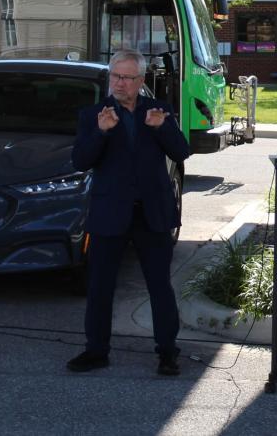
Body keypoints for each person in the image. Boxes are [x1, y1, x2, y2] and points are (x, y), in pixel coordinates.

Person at [66, 49, 191, 376]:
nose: (119, 83)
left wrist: (162, 128)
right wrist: (101, 131)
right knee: (100, 286)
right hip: (111, 212)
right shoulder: (94, 114)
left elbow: (181, 151)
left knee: (159, 286)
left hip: (153, 213)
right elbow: (81, 161)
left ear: (140, 80)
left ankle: (167, 352)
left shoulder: (159, 110)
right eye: (115, 76)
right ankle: (96, 350)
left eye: (126, 78)